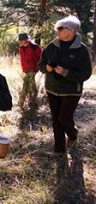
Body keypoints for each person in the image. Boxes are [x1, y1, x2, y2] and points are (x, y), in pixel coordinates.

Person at [38, 16, 92, 155]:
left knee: (64, 118)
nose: (58, 30)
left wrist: (66, 72)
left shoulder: (82, 50)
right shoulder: (52, 46)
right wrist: (47, 69)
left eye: (62, 28)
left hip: (71, 91)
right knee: (56, 120)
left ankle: (73, 135)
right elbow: (41, 64)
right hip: (52, 88)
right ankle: (59, 150)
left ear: (72, 31)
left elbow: (85, 74)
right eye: (57, 28)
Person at [18, 33, 42, 109]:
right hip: (26, 70)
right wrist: (23, 69)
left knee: (26, 85)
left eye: (22, 40)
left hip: (33, 69)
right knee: (31, 86)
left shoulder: (35, 47)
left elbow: (42, 56)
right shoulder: (21, 48)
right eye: (20, 40)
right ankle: (33, 103)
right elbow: (22, 59)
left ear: (26, 39)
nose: (21, 41)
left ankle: (21, 104)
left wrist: (38, 66)